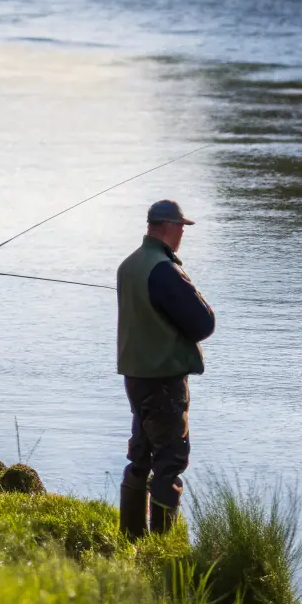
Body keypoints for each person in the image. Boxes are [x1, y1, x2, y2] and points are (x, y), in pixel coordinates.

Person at [116, 198, 216, 538]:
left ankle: (130, 535)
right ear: (170, 226)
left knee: (140, 455)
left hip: (136, 376)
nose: (182, 234)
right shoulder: (163, 268)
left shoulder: (129, 265)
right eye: (181, 227)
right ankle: (164, 547)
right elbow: (203, 324)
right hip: (163, 379)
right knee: (169, 461)